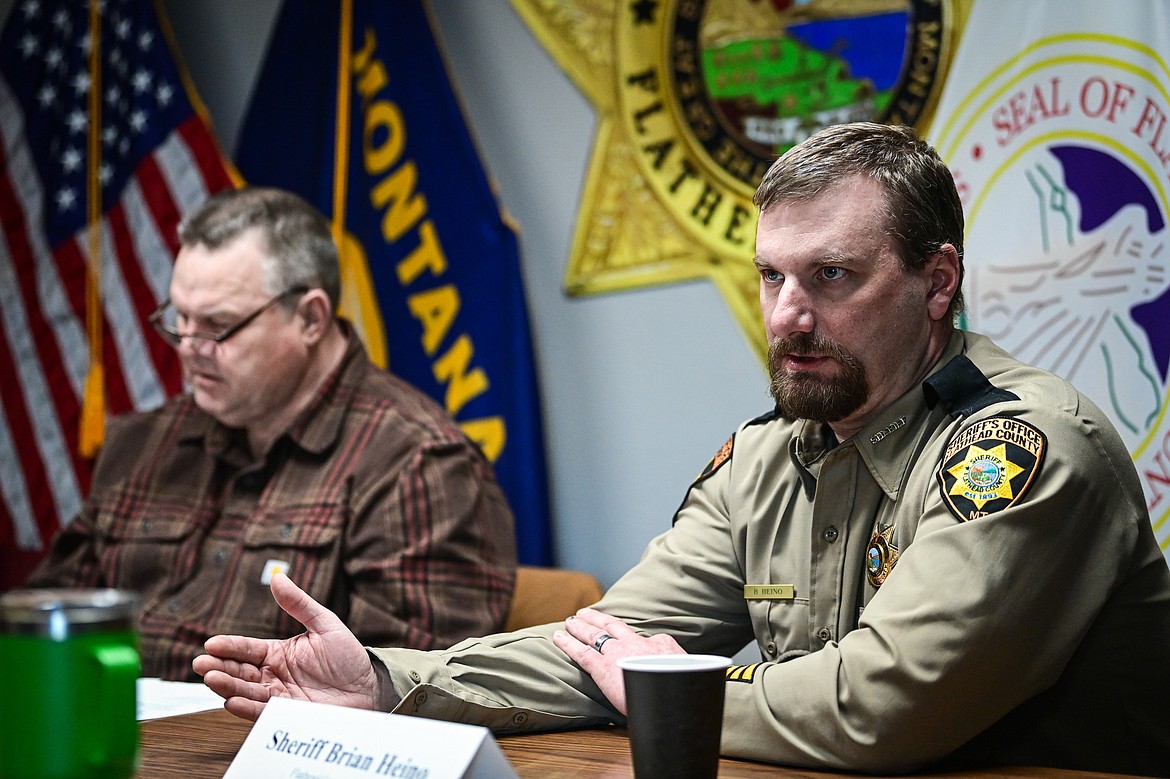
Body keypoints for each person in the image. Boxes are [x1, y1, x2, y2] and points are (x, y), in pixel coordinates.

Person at [194, 124, 1170, 776]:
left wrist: (672, 687)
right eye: (772, 276)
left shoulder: (1023, 450)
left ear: (937, 280)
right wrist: (388, 680)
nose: (788, 317)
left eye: (832, 274)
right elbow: (603, 649)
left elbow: (883, 703)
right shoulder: (769, 456)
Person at [27, 186, 518, 680]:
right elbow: (40, 626)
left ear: (309, 318)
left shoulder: (419, 463)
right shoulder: (144, 442)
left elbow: (403, 694)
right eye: (180, 318)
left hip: (276, 750)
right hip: (105, 737)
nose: (189, 347)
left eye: (217, 325)